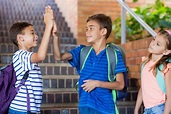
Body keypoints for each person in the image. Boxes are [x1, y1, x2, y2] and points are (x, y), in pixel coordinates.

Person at [53, 14, 127, 114]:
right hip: (84, 105)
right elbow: (59, 57)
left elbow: (120, 85)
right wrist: (55, 36)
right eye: (86, 29)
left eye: (91, 28)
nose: (87, 32)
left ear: (103, 31)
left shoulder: (114, 54)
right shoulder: (82, 51)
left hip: (106, 108)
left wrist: (97, 83)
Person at [8, 6, 54, 114]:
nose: (36, 36)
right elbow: (41, 56)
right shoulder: (21, 55)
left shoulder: (26, 56)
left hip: (27, 109)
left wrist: (52, 30)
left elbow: (40, 57)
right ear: (20, 38)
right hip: (21, 110)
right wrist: (48, 26)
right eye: (32, 33)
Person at [134, 30, 171, 114]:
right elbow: (143, 88)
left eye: (158, 44)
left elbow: (170, 97)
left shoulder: (165, 68)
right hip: (147, 109)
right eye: (154, 39)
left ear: (166, 51)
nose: (153, 43)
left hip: (159, 108)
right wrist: (136, 109)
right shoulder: (145, 64)